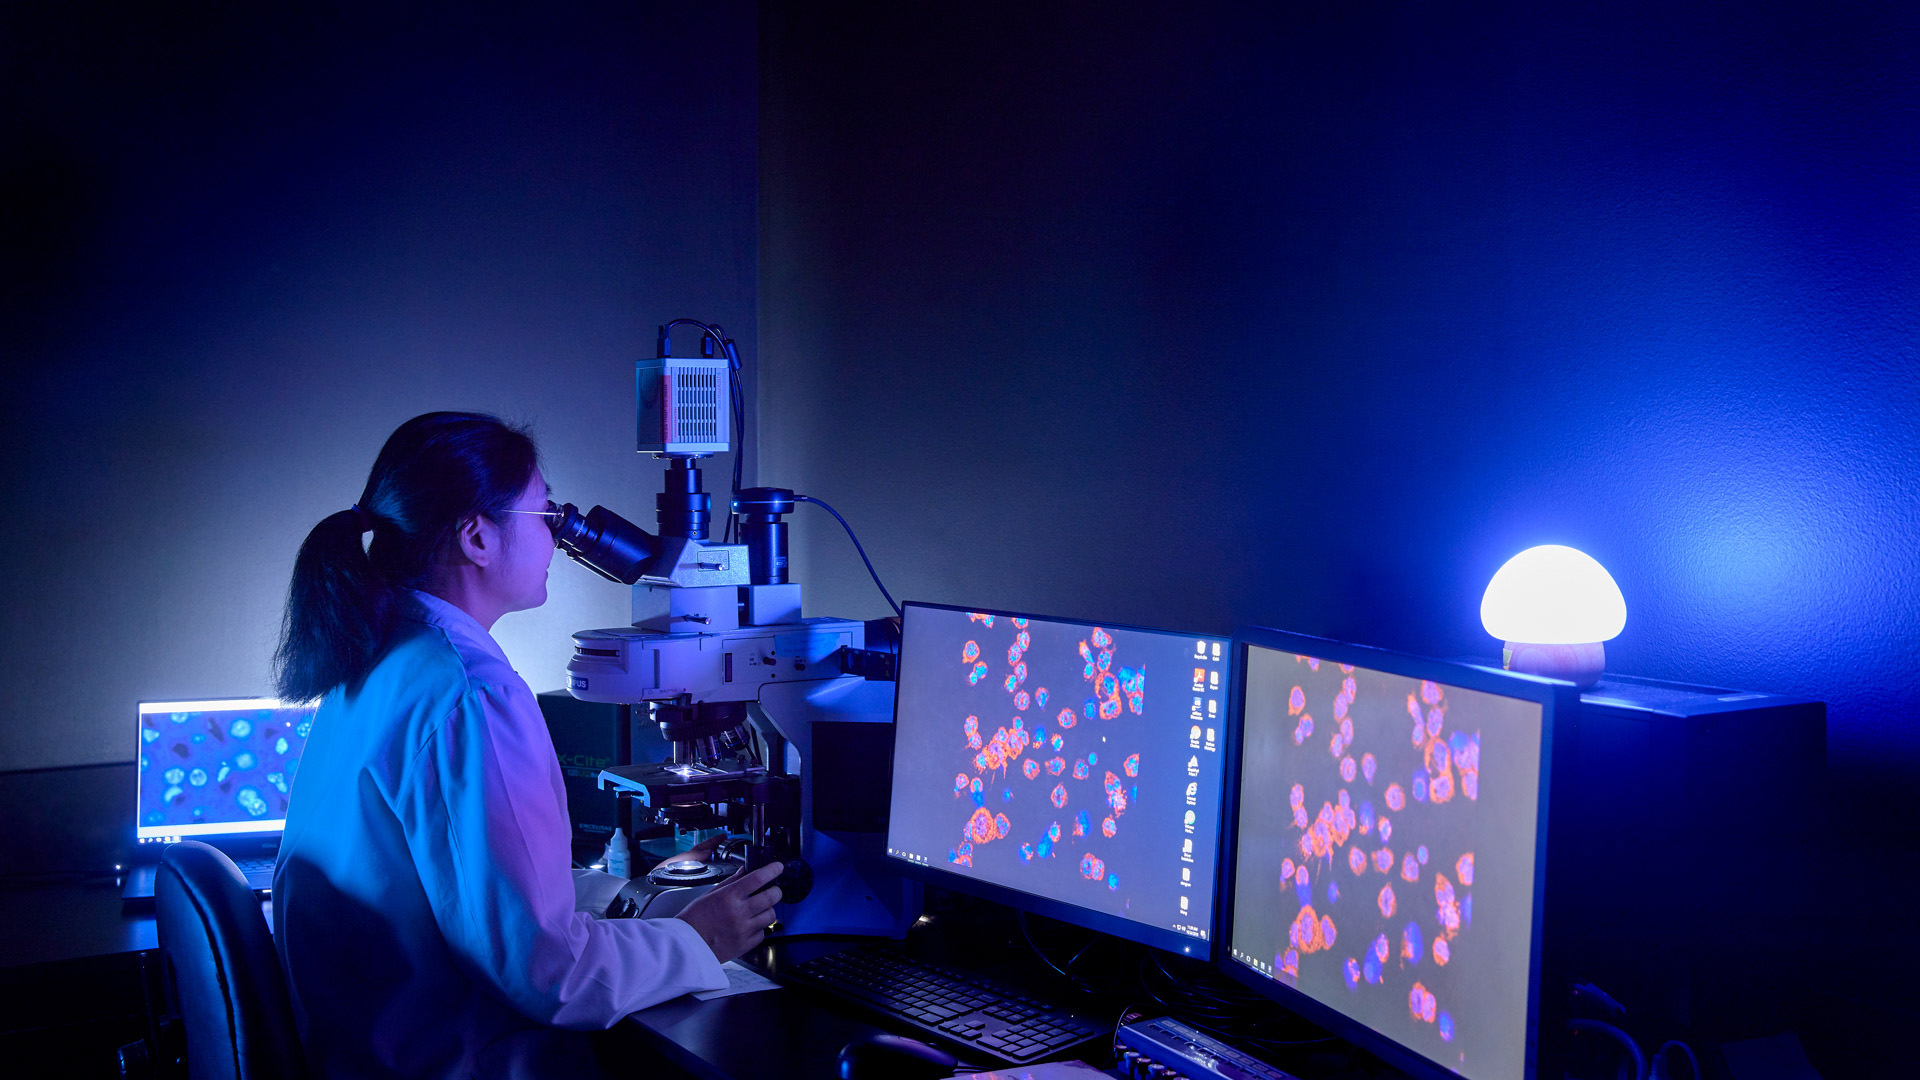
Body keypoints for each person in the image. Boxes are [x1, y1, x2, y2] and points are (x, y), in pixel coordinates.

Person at [271, 411, 781, 1078]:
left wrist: (628, 898)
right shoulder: (469, 692)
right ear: (478, 537)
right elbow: (550, 976)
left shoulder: (382, 658)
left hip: (372, 1048)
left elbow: (454, 884)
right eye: (546, 514)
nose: (559, 537)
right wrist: (700, 938)